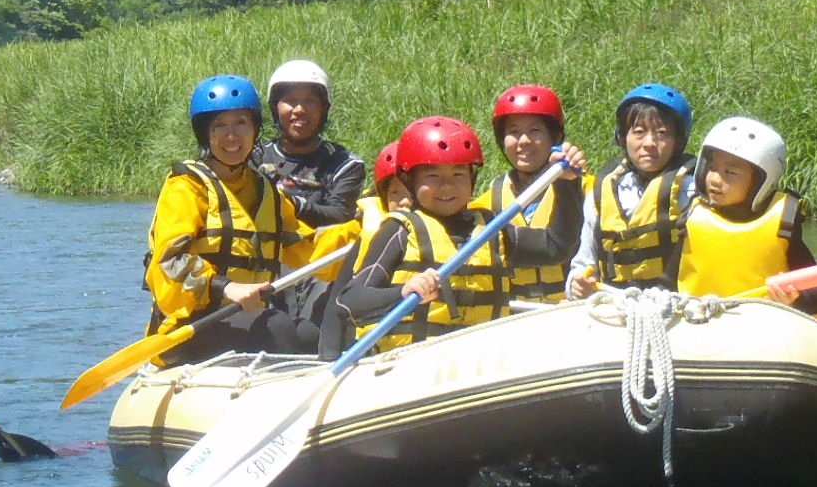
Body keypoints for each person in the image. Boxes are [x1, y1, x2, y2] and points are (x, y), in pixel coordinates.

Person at [332, 116, 576, 353]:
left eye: (458, 175)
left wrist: (567, 183)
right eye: (433, 176)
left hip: (482, 362)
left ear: (472, 178)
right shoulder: (398, 231)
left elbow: (557, 247)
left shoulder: (491, 230)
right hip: (414, 362)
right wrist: (402, 293)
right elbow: (348, 302)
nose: (447, 186)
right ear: (409, 180)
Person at [143, 74, 320, 365]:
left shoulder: (266, 191)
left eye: (241, 123)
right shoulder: (187, 188)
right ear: (206, 134)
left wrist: (361, 233)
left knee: (310, 335)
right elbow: (169, 263)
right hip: (190, 325)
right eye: (220, 126)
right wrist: (225, 288)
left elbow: (307, 246)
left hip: (249, 319)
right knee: (278, 327)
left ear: (255, 129)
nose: (232, 136)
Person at [677, 116, 817, 314]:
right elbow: (668, 280)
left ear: (760, 180)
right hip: (699, 317)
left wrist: (796, 299)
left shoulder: (783, 224)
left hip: (763, 322)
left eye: (730, 172)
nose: (714, 179)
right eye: (712, 168)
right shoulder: (693, 215)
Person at [569, 83, 696, 298]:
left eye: (662, 133)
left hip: (673, 304)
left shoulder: (690, 191)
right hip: (616, 304)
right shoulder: (601, 194)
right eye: (639, 132)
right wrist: (577, 283)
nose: (649, 143)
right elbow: (584, 263)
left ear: (677, 142)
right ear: (622, 137)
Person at [475, 85, 587, 304]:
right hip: (513, 316)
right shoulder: (485, 205)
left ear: (556, 137)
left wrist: (567, 179)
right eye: (514, 132)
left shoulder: (587, 190)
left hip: (573, 310)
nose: (524, 140)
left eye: (535, 130)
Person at [251, 59, 365, 228]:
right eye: (290, 100)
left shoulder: (345, 165)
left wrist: (292, 204)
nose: (299, 110)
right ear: (275, 108)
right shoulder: (255, 158)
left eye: (310, 101)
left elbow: (341, 215)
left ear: (324, 109)